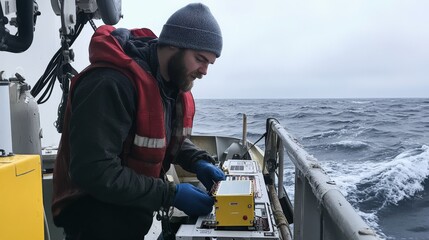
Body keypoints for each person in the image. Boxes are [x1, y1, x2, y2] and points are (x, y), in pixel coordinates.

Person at [51, 3, 225, 239]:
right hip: (95, 224)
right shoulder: (109, 83)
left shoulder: (166, 85)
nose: (204, 71)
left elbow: (159, 135)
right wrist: (169, 195)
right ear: (173, 44)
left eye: (209, 64)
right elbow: (93, 170)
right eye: (199, 59)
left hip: (129, 220)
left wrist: (198, 161)